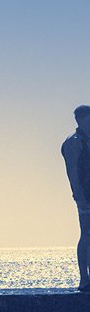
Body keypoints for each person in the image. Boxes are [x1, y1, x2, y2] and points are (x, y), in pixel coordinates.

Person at [61, 105, 90, 292]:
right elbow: (74, 174)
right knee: (87, 235)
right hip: (86, 198)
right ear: (80, 120)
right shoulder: (74, 142)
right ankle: (84, 279)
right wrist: (81, 198)